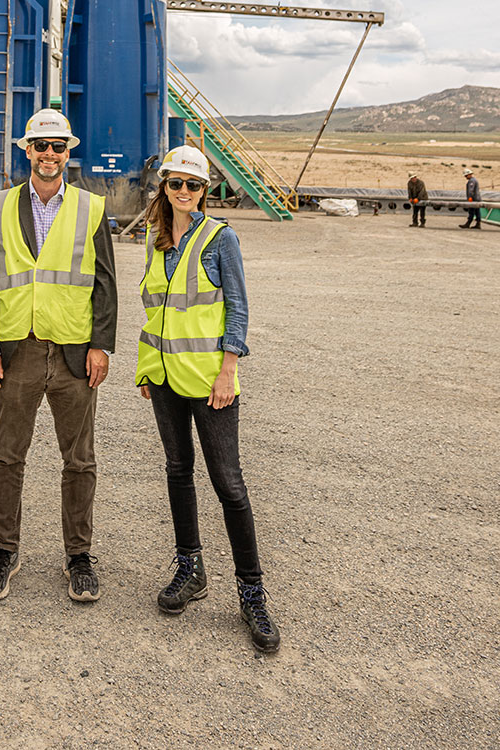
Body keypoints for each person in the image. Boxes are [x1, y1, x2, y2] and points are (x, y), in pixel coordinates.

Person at [137, 144, 280, 654]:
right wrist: (146, 370)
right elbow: (156, 313)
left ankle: (252, 592)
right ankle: (190, 568)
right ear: (165, 188)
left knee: (229, 483)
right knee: (178, 471)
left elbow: (238, 308)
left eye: (192, 185)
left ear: (204, 190)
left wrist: (228, 370)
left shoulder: (222, 238)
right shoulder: (157, 242)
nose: (183, 192)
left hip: (211, 382)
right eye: (175, 183)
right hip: (166, 379)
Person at [0, 108, 117, 604]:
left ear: (67, 152)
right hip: (19, 351)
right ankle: (3, 551)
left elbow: (105, 283)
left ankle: (79, 556)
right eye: (41, 146)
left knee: (79, 459)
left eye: (58, 146)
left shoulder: (91, 208)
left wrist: (101, 345)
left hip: (75, 352)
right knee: (7, 456)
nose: (50, 154)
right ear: (27, 150)